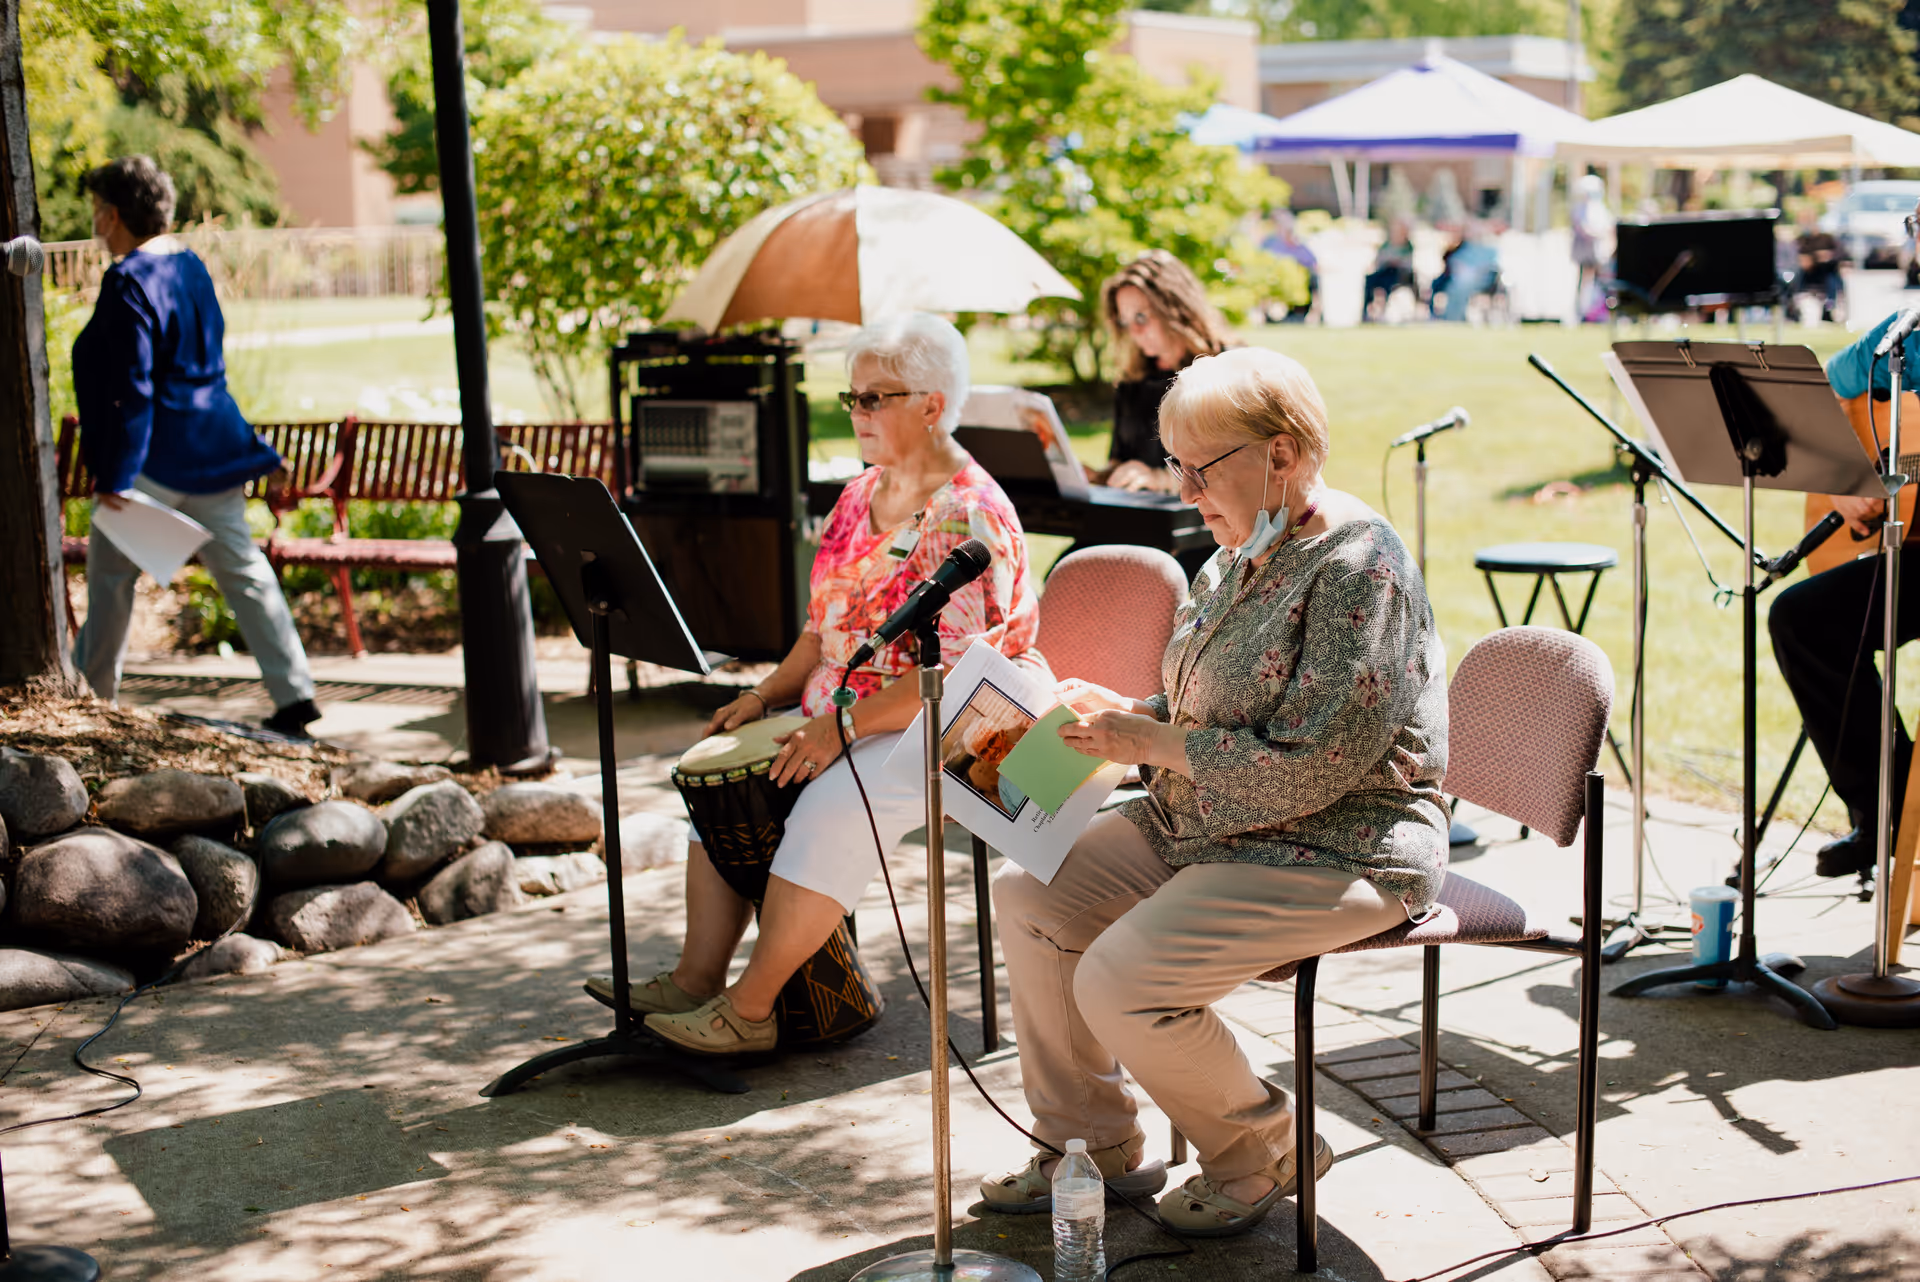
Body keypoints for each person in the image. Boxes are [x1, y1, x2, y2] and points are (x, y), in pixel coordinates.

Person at [977, 346, 1449, 1234]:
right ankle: (1091, 1147)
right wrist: (1132, 713)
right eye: (1175, 465)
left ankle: (1262, 1148)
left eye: (1203, 467)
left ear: (1284, 452)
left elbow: (1318, 756)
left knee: (1123, 977)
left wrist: (1155, 740)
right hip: (1206, 822)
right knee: (1033, 893)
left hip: (1342, 838)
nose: (1185, 490)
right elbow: (1210, 701)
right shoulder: (1239, 548)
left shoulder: (1357, 563)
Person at [591, 313, 1046, 1055]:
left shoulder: (967, 510)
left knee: (834, 804)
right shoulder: (856, 497)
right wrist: (765, 696)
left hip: (952, 725)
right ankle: (696, 978)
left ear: (932, 404)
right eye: (852, 399)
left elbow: (956, 671)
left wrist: (838, 729)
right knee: (725, 784)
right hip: (841, 715)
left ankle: (751, 1008)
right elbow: (820, 631)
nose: (858, 413)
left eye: (875, 398)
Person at [69, 156, 320, 736]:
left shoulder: (129, 279)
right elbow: (207, 371)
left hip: (155, 455)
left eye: (95, 213)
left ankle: (91, 695)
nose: (94, 223)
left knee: (109, 575)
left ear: (111, 216)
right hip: (212, 449)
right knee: (245, 572)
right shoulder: (192, 267)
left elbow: (133, 387)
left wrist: (117, 476)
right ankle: (295, 694)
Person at [1770, 277, 1920, 880]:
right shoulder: (1901, 337)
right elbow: (1814, 395)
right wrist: (1844, 475)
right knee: (1802, 619)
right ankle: (1890, 809)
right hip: (1911, 545)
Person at [1093, 250, 1234, 494]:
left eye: (1141, 316)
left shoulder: (1227, 369)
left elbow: (1238, 471)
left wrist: (1159, 478)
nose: (1134, 331)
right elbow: (1121, 461)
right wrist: (1097, 477)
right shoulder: (1133, 381)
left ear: (1176, 307)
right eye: (1124, 321)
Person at [1259, 210, 1318, 322]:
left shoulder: (1298, 245)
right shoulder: (1270, 243)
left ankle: (1303, 312)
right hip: (1276, 280)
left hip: (1299, 281)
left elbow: (1311, 261)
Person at [1362, 219, 1415, 322]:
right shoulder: (1386, 245)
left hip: (1399, 274)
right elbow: (1379, 260)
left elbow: (1407, 263)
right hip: (1384, 270)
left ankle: (1383, 311)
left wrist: (1395, 261)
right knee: (1370, 280)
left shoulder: (1408, 247)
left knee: (1388, 282)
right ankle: (1366, 311)